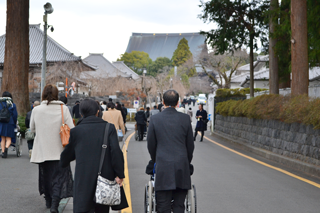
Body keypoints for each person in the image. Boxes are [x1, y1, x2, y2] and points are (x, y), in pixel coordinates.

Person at [60, 99, 124, 213]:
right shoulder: (108, 128)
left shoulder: (76, 131)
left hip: (83, 179)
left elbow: (67, 156)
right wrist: (119, 174)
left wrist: (63, 162)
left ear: (81, 114)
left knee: (82, 208)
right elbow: (116, 152)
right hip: (104, 178)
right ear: (98, 112)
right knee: (101, 209)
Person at [147, 90, 194, 213]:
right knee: (179, 205)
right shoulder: (185, 119)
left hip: (163, 165)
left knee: (163, 205)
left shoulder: (155, 119)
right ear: (178, 103)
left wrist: (156, 159)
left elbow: (151, 144)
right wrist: (186, 161)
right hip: (181, 165)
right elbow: (190, 145)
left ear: (163, 102)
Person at [30, 84, 74, 213]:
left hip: (42, 150)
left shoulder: (36, 110)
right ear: (56, 95)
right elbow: (71, 127)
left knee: (45, 176)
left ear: (43, 94)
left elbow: (32, 129)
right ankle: (55, 205)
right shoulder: (63, 108)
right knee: (58, 178)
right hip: (59, 150)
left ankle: (48, 200)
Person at [0, 91, 18, 158]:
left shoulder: (0, 103)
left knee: (2, 138)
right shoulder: (12, 104)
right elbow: (15, 115)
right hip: (10, 122)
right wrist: (14, 122)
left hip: (1, 122)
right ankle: (7, 148)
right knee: (9, 138)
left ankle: (3, 151)